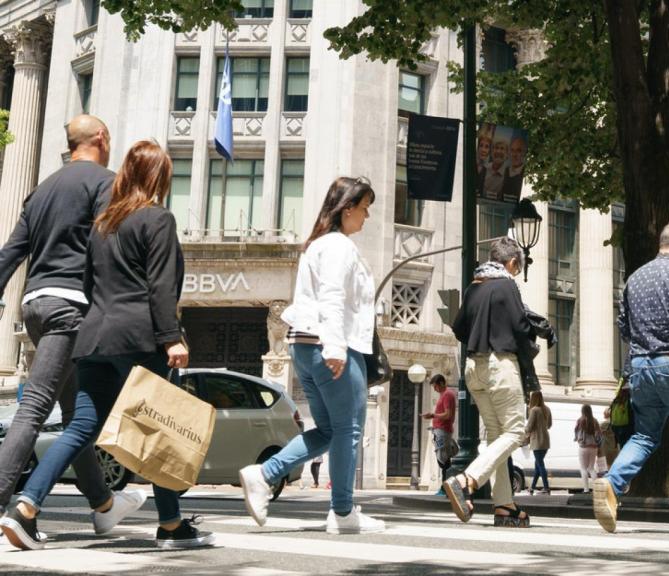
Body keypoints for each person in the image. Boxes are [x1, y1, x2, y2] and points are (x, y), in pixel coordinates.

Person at [0, 141, 212, 550]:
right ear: (159, 178)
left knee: (80, 426)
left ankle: (25, 508)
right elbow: (161, 286)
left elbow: (87, 284)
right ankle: (171, 526)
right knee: (159, 427)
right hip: (142, 339)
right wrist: (172, 337)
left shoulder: (102, 226)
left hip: (94, 338)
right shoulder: (158, 219)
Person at [0, 116, 145, 537]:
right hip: (72, 307)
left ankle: (103, 504)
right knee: (36, 407)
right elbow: (109, 248)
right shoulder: (106, 183)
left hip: (35, 306)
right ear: (100, 139)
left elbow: (12, 251)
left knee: (76, 413)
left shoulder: (41, 190)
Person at [238, 177, 385, 534]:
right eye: (364, 208)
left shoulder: (317, 245)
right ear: (347, 208)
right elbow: (333, 296)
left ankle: (265, 473)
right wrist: (335, 346)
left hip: (304, 346)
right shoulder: (337, 245)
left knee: (331, 430)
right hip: (328, 345)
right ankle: (343, 511)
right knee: (348, 430)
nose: (366, 217)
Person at [593, 220, 669, 536]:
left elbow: (624, 326)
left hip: (641, 369)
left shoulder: (634, 278)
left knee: (645, 436)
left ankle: (611, 483)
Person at [446, 237, 532, 528]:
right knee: (516, 432)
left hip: (473, 367)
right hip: (500, 365)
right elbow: (521, 327)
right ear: (510, 263)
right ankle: (467, 478)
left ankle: (504, 505)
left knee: (497, 436)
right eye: (517, 267)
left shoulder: (475, 286)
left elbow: (458, 328)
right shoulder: (507, 285)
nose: (516, 272)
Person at [422, 373, 457, 490]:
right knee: (442, 459)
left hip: (443, 430)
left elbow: (448, 414)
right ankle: (445, 486)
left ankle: (446, 486)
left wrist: (433, 415)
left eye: (435, 386)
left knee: (443, 460)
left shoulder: (447, 394)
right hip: (440, 430)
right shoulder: (444, 395)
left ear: (441, 383)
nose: (435, 389)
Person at [524, 390, 552, 495]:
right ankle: (532, 487)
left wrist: (524, 430)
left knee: (540, 464)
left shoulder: (534, 410)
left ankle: (546, 487)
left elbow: (529, 427)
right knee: (538, 464)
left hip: (537, 440)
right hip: (545, 440)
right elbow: (549, 425)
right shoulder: (547, 409)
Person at [575, 404, 602, 493]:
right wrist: (597, 443)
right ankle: (597, 489)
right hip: (594, 448)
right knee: (591, 468)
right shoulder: (595, 421)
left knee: (583, 468)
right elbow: (599, 435)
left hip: (583, 447)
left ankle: (586, 489)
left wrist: (578, 439)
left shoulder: (580, 420)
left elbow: (577, 433)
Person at [606, 381, 634, 449]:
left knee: (621, 446)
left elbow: (611, 413)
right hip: (627, 427)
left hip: (616, 426)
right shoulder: (630, 400)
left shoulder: (616, 400)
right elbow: (632, 414)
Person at [501, 137, 526, 202]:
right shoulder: (505, 170)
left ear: (524, 152)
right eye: (512, 150)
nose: (514, 154)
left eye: (518, 150)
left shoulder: (525, 174)